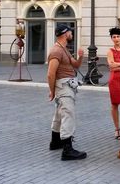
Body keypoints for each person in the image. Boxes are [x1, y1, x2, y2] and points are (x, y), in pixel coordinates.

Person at [47, 24, 87, 161]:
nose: (72, 33)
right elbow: (50, 74)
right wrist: (52, 91)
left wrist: (81, 57)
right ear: (65, 33)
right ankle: (67, 150)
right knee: (68, 115)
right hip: (63, 87)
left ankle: (55, 142)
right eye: (70, 31)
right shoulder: (56, 51)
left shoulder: (64, 49)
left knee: (59, 114)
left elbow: (75, 65)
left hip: (66, 86)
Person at [106, 27, 120, 140]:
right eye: (114, 37)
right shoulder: (110, 51)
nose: (116, 39)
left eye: (118, 36)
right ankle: (117, 129)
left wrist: (117, 64)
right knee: (115, 104)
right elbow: (111, 66)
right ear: (111, 38)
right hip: (115, 80)